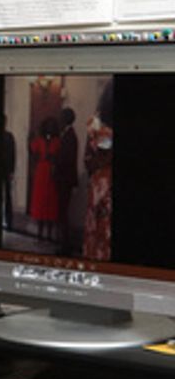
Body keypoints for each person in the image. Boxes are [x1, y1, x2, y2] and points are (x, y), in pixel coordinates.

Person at [83, 83, 115, 261]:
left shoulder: (95, 126)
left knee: (96, 234)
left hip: (99, 185)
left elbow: (89, 160)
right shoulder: (100, 130)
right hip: (104, 184)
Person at [27, 117, 60, 242]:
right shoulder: (39, 140)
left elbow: (58, 156)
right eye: (48, 126)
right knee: (40, 202)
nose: (50, 129)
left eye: (52, 126)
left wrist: (53, 161)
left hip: (51, 174)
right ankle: (40, 234)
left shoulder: (57, 141)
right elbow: (32, 151)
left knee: (50, 203)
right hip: (41, 172)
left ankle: (49, 235)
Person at [54, 107, 79, 252]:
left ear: (66, 119)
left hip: (65, 180)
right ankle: (63, 244)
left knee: (63, 213)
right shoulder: (67, 134)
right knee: (62, 213)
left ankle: (65, 246)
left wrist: (56, 162)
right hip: (64, 180)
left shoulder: (70, 136)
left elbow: (67, 159)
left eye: (61, 116)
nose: (59, 119)